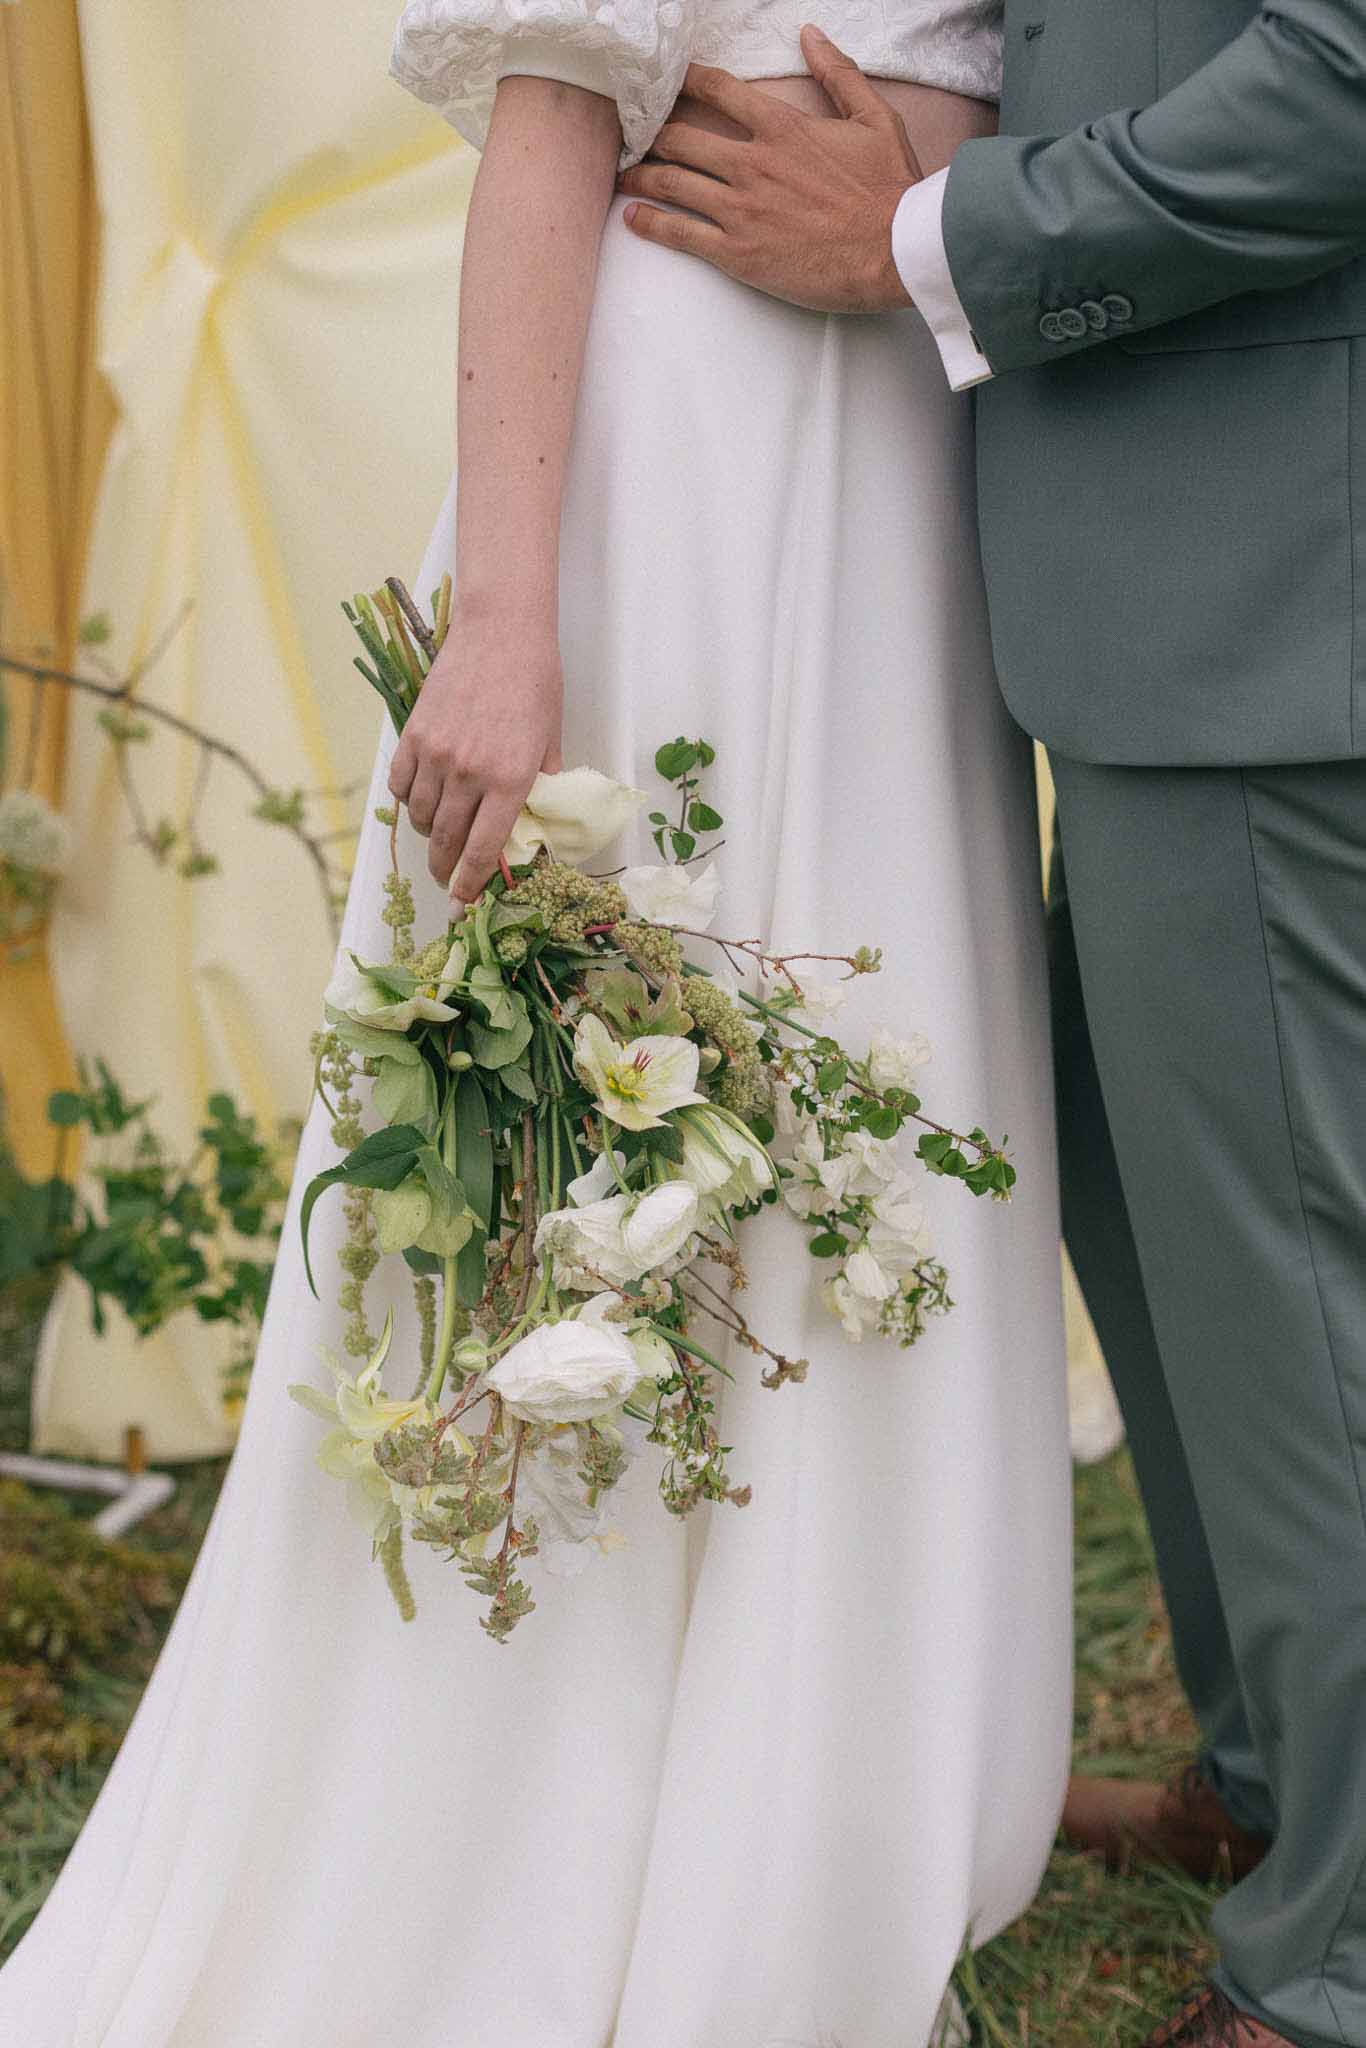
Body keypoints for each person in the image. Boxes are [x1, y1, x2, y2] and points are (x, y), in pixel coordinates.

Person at [0, 4, 1076, 2043]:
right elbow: (552, 119)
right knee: (590, 1150)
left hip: (896, 494)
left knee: (846, 1128)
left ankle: (790, 1821)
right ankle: (512, 1836)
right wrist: (504, 616)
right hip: (671, 484)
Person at [612, 6, 1366, 2045]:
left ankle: (1342, 1959)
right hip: (1149, 583)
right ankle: (1284, 1789)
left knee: (1293, 1282)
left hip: (1273, 575)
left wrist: (942, 234)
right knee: (1172, 1232)